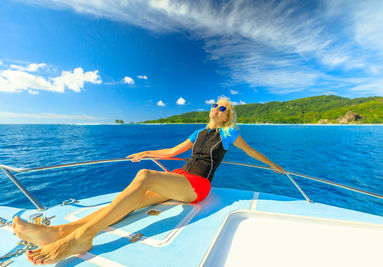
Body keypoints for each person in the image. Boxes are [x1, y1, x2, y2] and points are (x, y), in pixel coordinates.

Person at [12, 97, 286, 265]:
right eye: (214, 104)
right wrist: (146, 152)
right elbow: (171, 153)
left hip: (198, 186)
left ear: (227, 114)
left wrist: (275, 166)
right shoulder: (198, 132)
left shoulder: (228, 133)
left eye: (221, 106)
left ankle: (83, 237)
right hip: (180, 179)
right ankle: (59, 232)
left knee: (143, 177)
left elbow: (250, 151)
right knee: (129, 201)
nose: (216, 108)